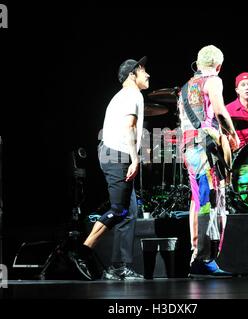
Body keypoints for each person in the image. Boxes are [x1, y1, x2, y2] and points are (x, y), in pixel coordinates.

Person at [74, 56, 149, 281]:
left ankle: (118, 266)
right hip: (117, 155)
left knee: (129, 212)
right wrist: (135, 159)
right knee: (119, 210)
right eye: (143, 71)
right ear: (131, 75)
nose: (148, 75)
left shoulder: (126, 95)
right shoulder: (131, 94)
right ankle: (82, 251)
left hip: (114, 153)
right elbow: (129, 127)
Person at [178, 45, 240, 278]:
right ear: (218, 65)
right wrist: (232, 134)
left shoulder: (185, 87)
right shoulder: (213, 80)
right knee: (213, 200)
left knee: (199, 199)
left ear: (198, 62)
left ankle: (198, 254)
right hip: (205, 147)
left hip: (189, 147)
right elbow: (221, 111)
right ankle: (205, 259)